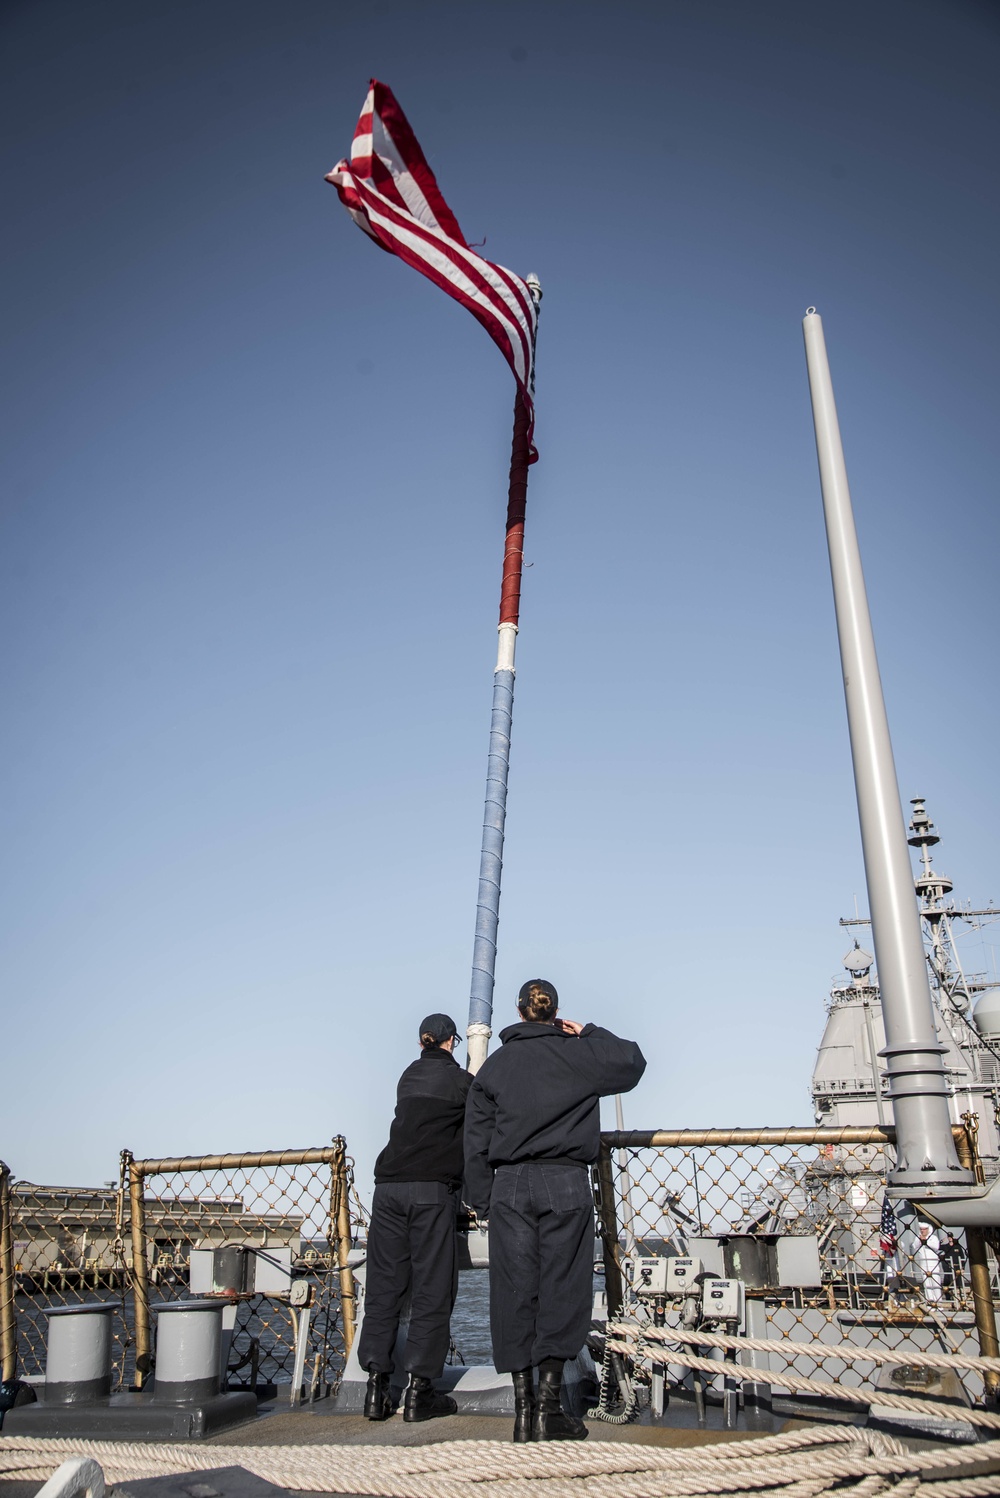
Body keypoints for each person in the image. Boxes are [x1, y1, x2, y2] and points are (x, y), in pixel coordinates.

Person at [465, 979, 646, 1443]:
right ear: (554, 1013)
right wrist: (588, 1032)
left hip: (509, 1186)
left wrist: (484, 1198)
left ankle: (524, 1413)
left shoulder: (495, 1067)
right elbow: (633, 1060)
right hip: (565, 1180)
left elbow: (476, 1140)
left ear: (520, 1012)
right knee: (562, 1291)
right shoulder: (579, 1053)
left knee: (513, 1293)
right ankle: (550, 1408)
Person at [358, 1013, 472, 1423]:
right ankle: (420, 1391)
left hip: (387, 1189)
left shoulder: (407, 1078)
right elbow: (474, 1130)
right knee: (431, 1289)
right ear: (450, 1042)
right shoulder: (461, 1082)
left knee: (385, 1288)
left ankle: (376, 1387)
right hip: (430, 1190)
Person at [915, 1222, 943, 1304]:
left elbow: (936, 1247)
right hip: (924, 1265)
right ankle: (930, 1302)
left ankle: (939, 1303)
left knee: (936, 1284)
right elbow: (915, 1246)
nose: (923, 1231)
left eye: (924, 1229)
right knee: (927, 1285)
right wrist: (920, 1240)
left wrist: (926, 1241)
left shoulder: (933, 1238)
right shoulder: (918, 1238)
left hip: (933, 1264)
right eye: (921, 1229)